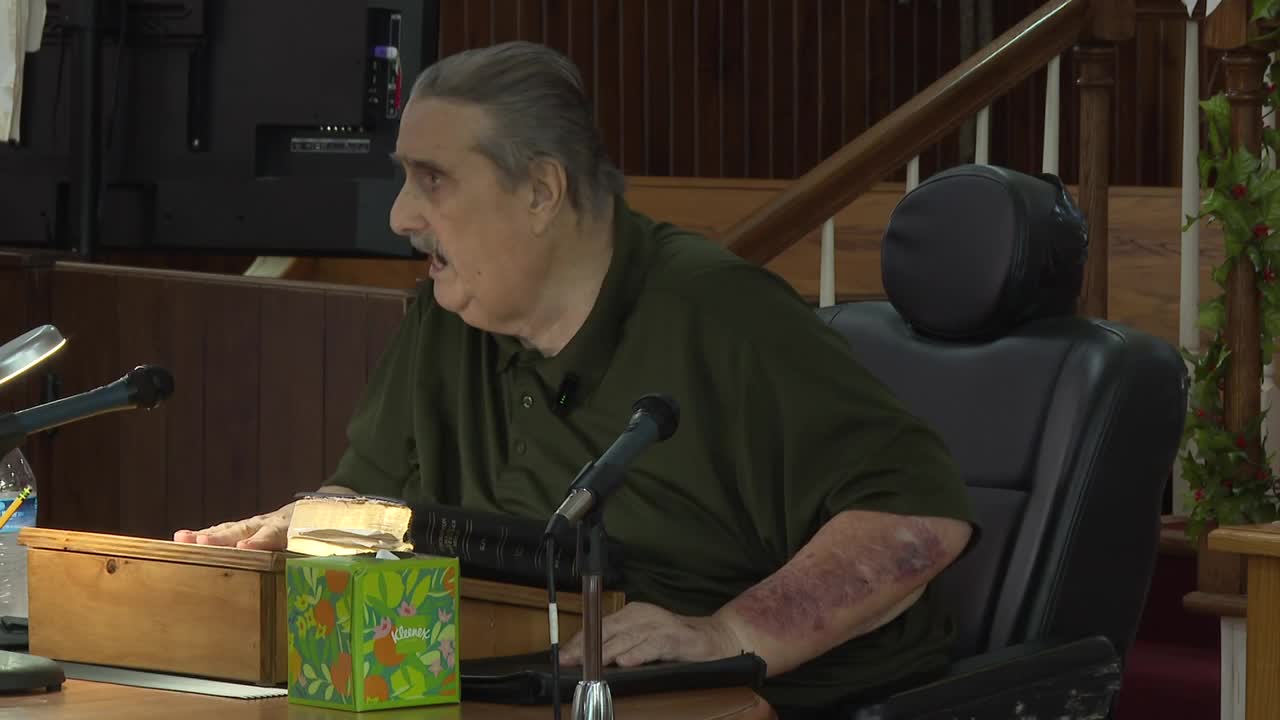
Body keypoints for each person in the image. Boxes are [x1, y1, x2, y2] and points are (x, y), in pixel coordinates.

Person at [174, 40, 974, 716]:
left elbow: (915, 521)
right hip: (502, 685)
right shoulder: (447, 318)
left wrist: (730, 633)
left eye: (433, 179)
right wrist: (298, 529)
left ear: (540, 190)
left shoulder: (720, 314)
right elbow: (369, 501)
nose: (401, 216)